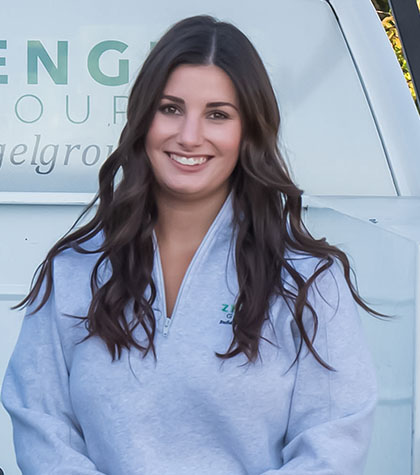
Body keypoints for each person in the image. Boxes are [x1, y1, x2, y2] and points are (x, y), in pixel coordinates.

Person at [1, 14, 379, 475]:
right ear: (144, 117)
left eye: (217, 114)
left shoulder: (308, 280)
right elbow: (41, 426)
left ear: (248, 132)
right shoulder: (76, 268)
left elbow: (332, 445)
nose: (189, 135)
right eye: (171, 108)